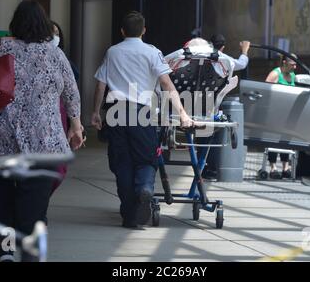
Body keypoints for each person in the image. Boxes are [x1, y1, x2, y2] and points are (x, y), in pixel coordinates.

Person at [0, 0, 84, 262]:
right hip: (45, 142)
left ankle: (6, 250)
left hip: (1, 137)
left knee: (3, 194)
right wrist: (76, 127)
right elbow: (71, 94)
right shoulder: (55, 54)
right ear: (44, 25)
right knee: (35, 199)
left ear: (15, 23)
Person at [91, 11, 193, 229]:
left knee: (121, 163)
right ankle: (145, 187)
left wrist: (95, 112)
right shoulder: (152, 52)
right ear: (144, 30)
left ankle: (129, 216)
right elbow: (166, 84)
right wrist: (183, 113)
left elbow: (100, 85)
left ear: (122, 31)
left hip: (115, 111)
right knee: (146, 158)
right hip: (141, 111)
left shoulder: (113, 52)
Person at [200, 33, 251, 181]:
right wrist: (244, 51)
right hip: (215, 102)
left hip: (197, 100)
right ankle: (209, 168)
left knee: (201, 134)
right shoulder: (224, 58)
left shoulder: (201, 56)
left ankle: (201, 168)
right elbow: (241, 64)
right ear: (223, 47)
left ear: (210, 43)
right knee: (213, 134)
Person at [50, 21, 81, 195]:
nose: (54, 37)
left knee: (58, 168)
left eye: (56, 33)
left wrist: (75, 124)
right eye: (50, 33)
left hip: (60, 116)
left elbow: (72, 93)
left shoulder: (62, 58)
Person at [265, 54, 297, 179]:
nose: (295, 66)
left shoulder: (293, 76)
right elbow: (265, 91)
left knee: (286, 140)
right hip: (275, 112)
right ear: (285, 62)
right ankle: (273, 167)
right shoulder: (275, 74)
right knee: (274, 139)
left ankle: (285, 167)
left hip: (289, 114)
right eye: (293, 64)